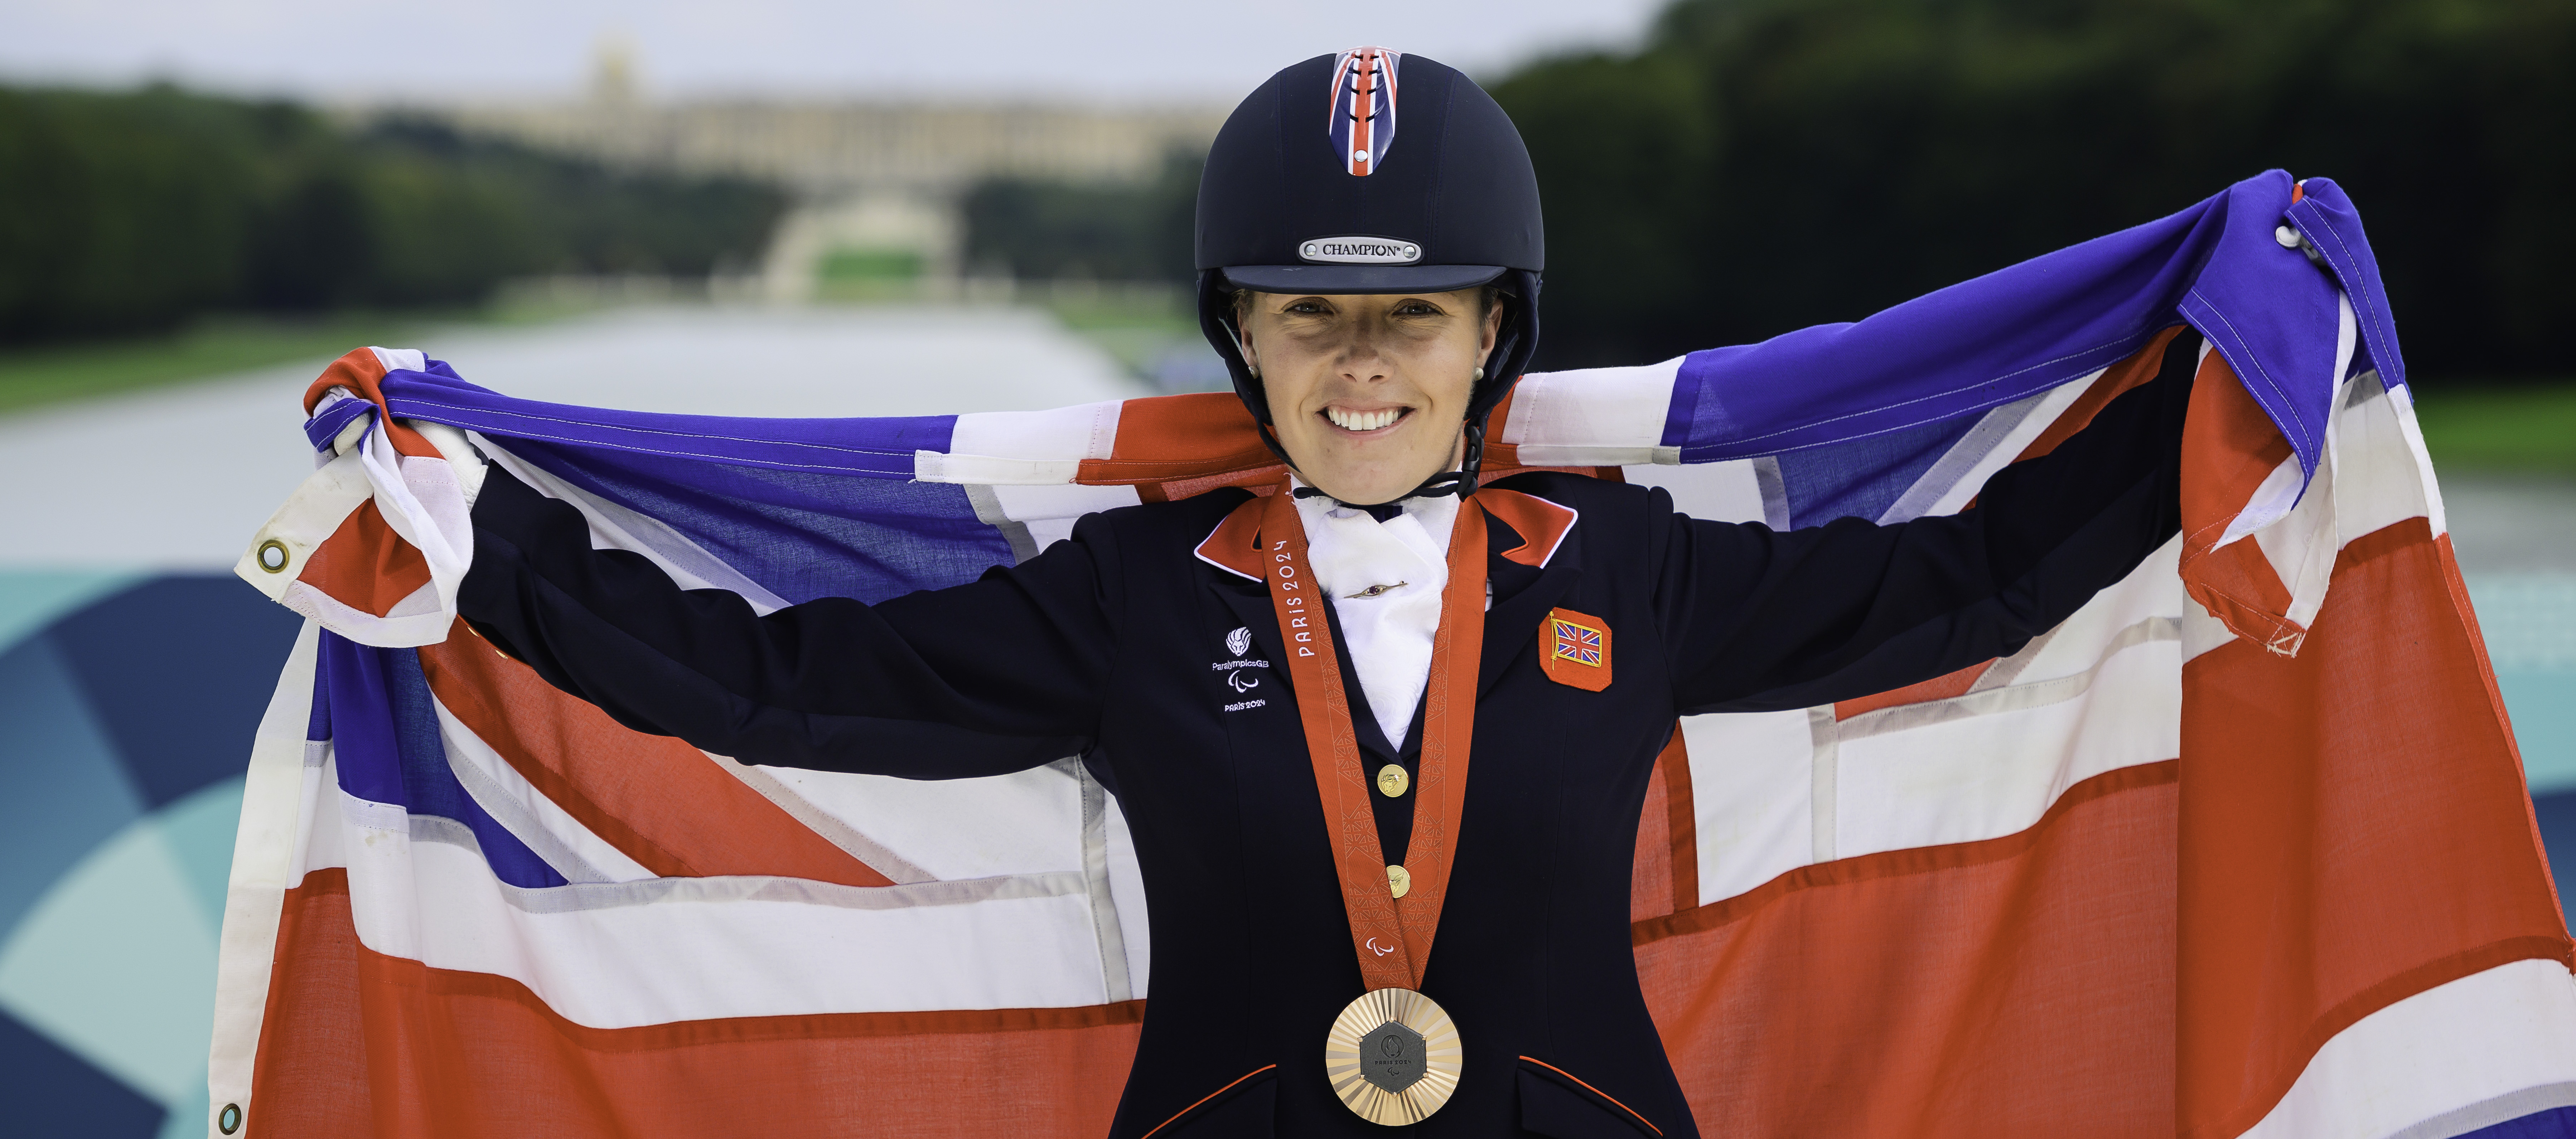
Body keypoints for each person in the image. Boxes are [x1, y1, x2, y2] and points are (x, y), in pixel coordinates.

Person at [453, 48, 2193, 1138]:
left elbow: (1972, 583)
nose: (1362, 363)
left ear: (1491, 331)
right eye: (1311, 315)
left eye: (1412, 315)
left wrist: (2215, 395)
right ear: (1243, 335)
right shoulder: (1127, 593)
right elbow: (764, 682)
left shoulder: (1627, 565)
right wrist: (469, 530)